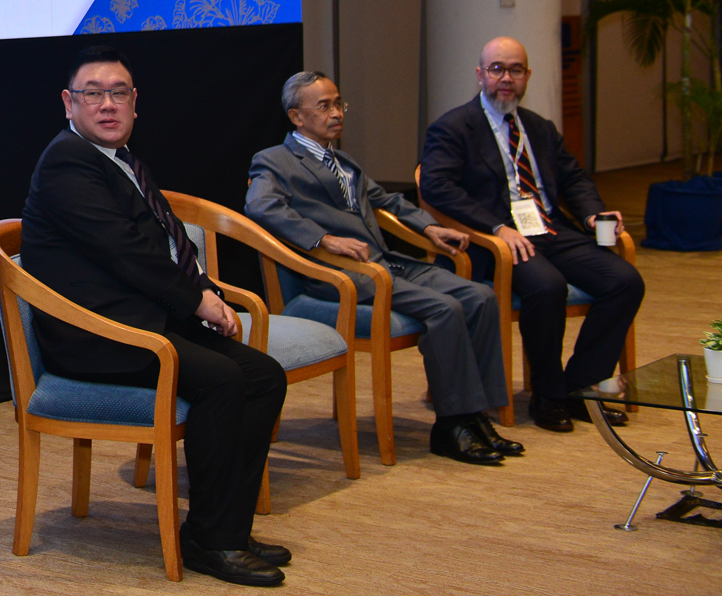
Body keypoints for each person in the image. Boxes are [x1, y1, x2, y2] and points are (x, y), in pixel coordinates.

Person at [23, 45, 289, 587]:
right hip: (96, 335)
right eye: (93, 94)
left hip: (145, 322)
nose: (108, 104)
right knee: (222, 380)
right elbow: (126, 252)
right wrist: (196, 302)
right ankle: (211, 542)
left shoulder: (122, 159)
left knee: (264, 375)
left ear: (135, 101)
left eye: (118, 93)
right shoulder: (66, 162)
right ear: (68, 103)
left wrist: (206, 289)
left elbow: (169, 241)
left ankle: (227, 527)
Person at [246, 72, 519, 466]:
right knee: (446, 309)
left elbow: (388, 201)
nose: (337, 113)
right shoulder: (274, 160)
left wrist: (429, 227)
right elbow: (261, 206)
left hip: (386, 263)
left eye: (338, 103)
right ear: (296, 116)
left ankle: (477, 416)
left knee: (481, 296)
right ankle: (452, 425)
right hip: (342, 276)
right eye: (324, 106)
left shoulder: (344, 161)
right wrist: (324, 239)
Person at [419, 36, 644, 432]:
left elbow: (573, 179)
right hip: (498, 241)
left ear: (527, 76)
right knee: (547, 287)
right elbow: (437, 187)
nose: (506, 78)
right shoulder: (454, 127)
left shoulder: (539, 128)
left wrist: (592, 215)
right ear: (480, 75)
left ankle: (580, 388)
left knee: (625, 281)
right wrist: (496, 227)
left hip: (549, 229)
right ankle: (548, 394)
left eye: (516, 70)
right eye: (497, 69)